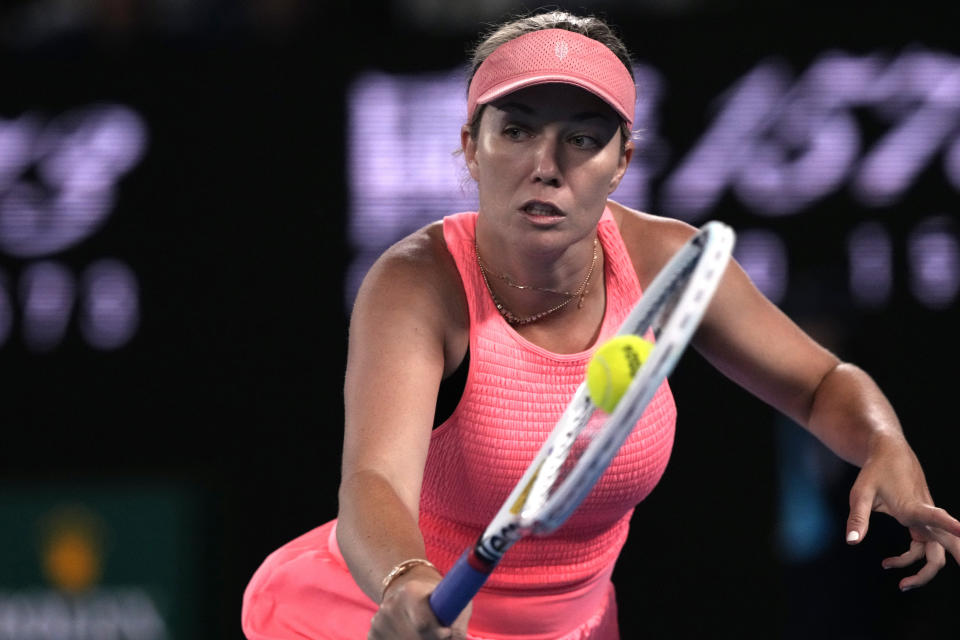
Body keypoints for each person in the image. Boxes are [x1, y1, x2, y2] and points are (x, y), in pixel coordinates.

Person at [241, 10, 960, 640]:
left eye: (583, 139)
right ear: (470, 146)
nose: (546, 166)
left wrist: (882, 440)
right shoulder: (416, 284)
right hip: (381, 612)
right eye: (516, 131)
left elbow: (820, 383)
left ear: (623, 161)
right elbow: (374, 480)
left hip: (573, 625)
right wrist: (405, 582)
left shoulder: (664, 263)